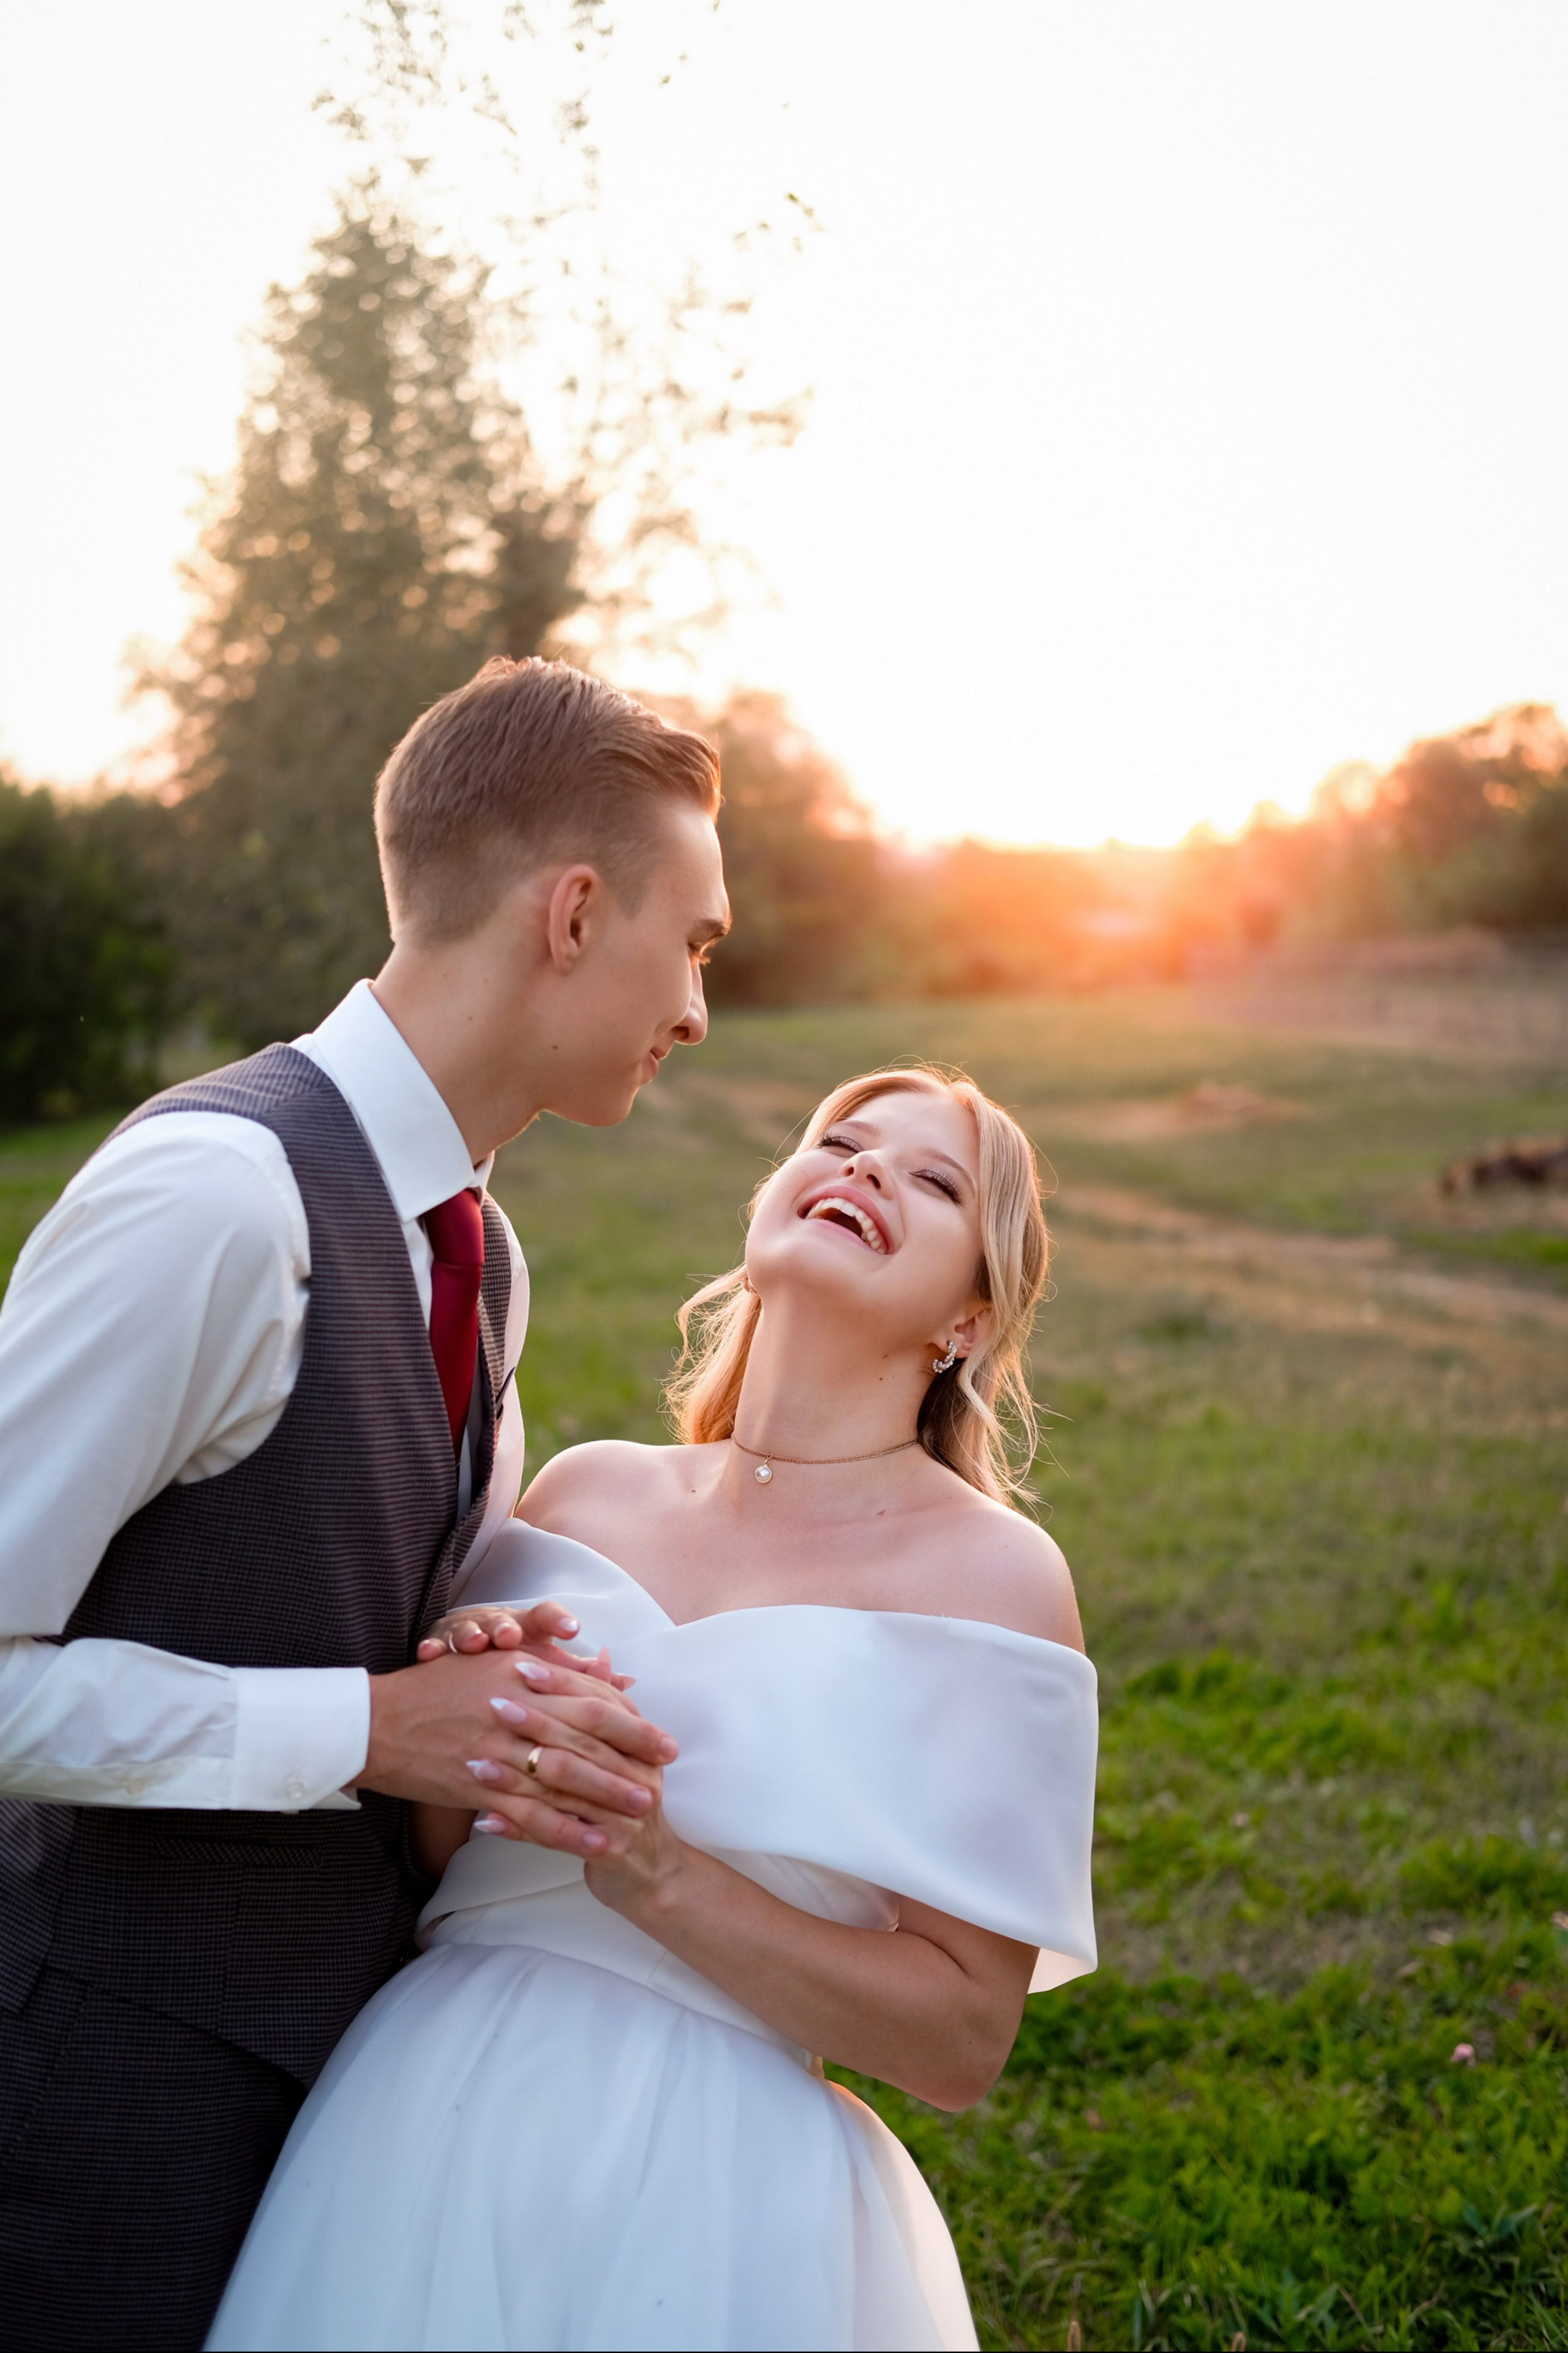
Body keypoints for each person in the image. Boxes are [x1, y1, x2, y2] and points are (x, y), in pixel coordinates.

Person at [0, 658, 731, 2351]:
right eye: (691, 943)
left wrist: (471, 1655)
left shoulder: (487, 1254)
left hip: (342, 2090)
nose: (699, 1007)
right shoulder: (217, 1199)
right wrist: (375, 1725)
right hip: (99, 2081)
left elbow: (348, 1582)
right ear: (570, 913)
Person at [208, 1065, 1099, 2353]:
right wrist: (470, 1718)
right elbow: (438, 1861)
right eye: (840, 1143)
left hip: (714, 2169)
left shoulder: (995, 1579)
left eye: (931, 1179)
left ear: (967, 1316)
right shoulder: (582, 1493)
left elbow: (959, 2040)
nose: (861, 1171)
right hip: (425, 2106)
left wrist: (659, 1872)